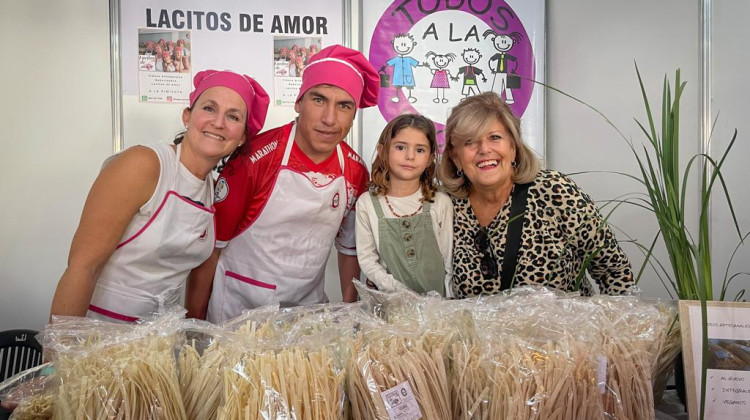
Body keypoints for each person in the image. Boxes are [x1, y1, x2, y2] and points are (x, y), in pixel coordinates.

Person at [49, 70, 270, 322]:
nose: (218, 123)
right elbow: (82, 268)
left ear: (242, 137)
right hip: (101, 336)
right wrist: (62, 353)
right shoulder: (145, 164)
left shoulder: (212, 190)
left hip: (159, 344)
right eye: (209, 108)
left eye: (233, 116)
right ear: (187, 116)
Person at [187, 45, 380, 323]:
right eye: (318, 100)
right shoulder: (254, 159)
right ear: (298, 103)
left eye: (344, 106)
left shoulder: (355, 170)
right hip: (239, 310)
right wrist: (195, 324)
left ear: (354, 114)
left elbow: (349, 251)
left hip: (307, 311)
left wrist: (351, 316)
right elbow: (210, 250)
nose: (329, 118)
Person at [437, 92, 634, 298]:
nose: (484, 149)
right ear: (456, 157)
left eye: (495, 137)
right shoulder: (445, 207)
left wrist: (615, 326)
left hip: (564, 330)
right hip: (476, 331)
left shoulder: (556, 192)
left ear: (513, 147)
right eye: (470, 142)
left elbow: (615, 272)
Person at [355, 114, 453, 296]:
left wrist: (448, 303)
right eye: (400, 147)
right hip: (392, 307)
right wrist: (402, 294)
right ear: (383, 150)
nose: (410, 156)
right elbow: (368, 260)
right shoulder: (367, 204)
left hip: (438, 309)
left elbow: (450, 261)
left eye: (420, 150)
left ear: (431, 157)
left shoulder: (440, 202)